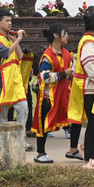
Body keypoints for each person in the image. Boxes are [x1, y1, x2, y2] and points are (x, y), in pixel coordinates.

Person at [67, 13, 94, 169]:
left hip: (93, 88)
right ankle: (91, 158)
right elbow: (89, 64)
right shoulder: (90, 42)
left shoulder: (90, 41)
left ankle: (88, 150)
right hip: (90, 88)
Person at [0, 9, 30, 148]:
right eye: (7, 20)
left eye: (11, 20)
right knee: (2, 113)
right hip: (2, 80)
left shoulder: (8, 38)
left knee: (23, 108)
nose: (10, 23)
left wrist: (15, 40)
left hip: (14, 79)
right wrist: (17, 39)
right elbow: (5, 53)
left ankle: (20, 139)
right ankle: (4, 143)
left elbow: (21, 56)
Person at [32, 23, 74, 164]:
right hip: (48, 97)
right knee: (43, 125)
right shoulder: (47, 56)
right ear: (55, 35)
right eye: (64, 33)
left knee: (74, 120)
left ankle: (74, 149)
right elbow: (45, 77)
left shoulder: (67, 54)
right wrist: (64, 74)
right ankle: (40, 152)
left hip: (63, 95)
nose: (67, 36)